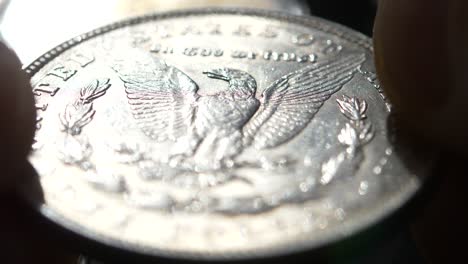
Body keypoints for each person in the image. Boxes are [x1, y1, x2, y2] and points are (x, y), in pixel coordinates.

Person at [0, 0, 466, 262]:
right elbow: (144, 72)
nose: (228, 85)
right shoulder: (183, 95)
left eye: (236, 83)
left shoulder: (267, 101)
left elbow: (312, 84)